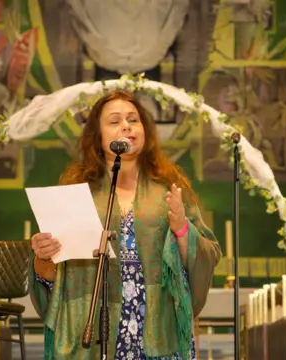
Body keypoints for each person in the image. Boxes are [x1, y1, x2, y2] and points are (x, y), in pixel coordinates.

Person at [29, 90, 221, 359]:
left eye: (133, 119)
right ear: (98, 136)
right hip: (96, 328)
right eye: (114, 121)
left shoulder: (170, 188)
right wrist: (43, 255)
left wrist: (181, 228)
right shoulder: (78, 192)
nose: (126, 126)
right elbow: (55, 280)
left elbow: (208, 255)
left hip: (157, 327)